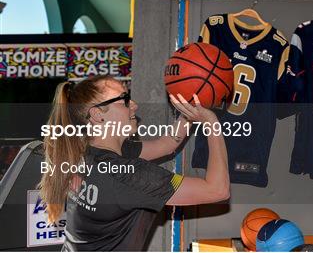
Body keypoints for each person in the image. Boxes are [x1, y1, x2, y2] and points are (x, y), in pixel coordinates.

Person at [39, 75, 229, 251]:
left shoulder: (86, 152)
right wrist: (211, 122)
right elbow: (217, 190)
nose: (134, 105)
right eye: (125, 101)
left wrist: (187, 111)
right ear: (97, 115)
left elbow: (167, 144)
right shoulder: (127, 175)